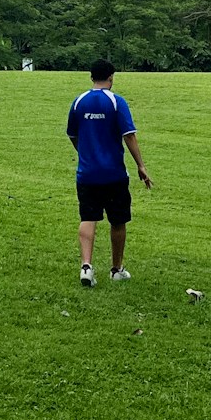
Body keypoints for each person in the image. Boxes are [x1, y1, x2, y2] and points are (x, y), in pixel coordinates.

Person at [66, 59, 152, 286]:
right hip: (114, 174)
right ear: (111, 77)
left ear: (91, 77)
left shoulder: (79, 102)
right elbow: (129, 135)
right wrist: (141, 165)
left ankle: (86, 266)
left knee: (88, 218)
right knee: (118, 221)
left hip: (87, 173)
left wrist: (85, 152)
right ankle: (116, 268)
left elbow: (73, 134)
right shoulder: (116, 102)